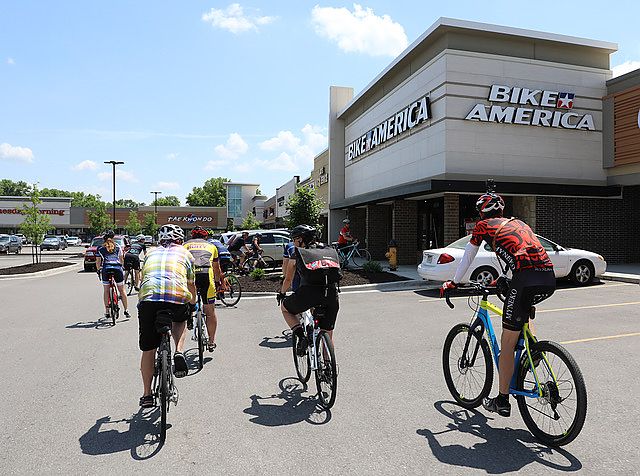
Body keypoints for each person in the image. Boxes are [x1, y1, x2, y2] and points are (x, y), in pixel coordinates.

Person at [441, 192, 555, 417]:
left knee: (507, 343)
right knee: (523, 310)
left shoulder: (482, 226)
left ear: (481, 212)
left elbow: (468, 256)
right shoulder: (518, 222)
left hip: (525, 278)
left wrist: (454, 282)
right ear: (501, 211)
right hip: (548, 276)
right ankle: (534, 350)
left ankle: (502, 400)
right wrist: (504, 280)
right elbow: (518, 255)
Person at [137, 224, 197, 407]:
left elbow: (143, 278)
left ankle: (147, 395)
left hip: (149, 299)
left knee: (148, 349)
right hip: (176, 298)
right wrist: (192, 304)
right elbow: (191, 284)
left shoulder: (149, 253)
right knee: (181, 319)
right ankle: (179, 351)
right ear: (180, 239)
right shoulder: (186, 254)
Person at [278, 225, 340, 355]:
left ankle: (301, 337)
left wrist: (282, 293)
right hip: (331, 294)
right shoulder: (328, 249)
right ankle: (328, 368)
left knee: (285, 308)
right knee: (328, 334)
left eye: (294, 239)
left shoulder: (298, 253)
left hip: (308, 293)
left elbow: (288, 279)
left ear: (301, 239)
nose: (293, 242)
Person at [184, 226, 223, 351]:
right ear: (205, 236)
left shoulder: (184, 245)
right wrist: (217, 282)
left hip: (190, 277)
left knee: (188, 301)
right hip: (206, 276)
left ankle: (189, 316)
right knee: (210, 313)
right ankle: (211, 342)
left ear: (192, 236)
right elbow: (217, 269)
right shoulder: (211, 246)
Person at [96, 230, 130, 320]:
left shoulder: (100, 248)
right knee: (122, 290)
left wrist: (98, 270)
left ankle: (107, 312)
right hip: (117, 268)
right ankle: (126, 310)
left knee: (106, 291)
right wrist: (122, 267)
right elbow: (121, 259)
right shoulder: (118, 247)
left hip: (106, 269)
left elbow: (98, 262)